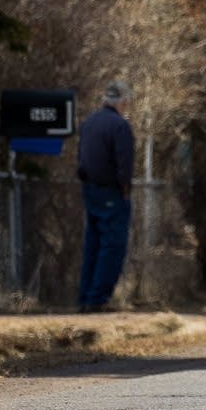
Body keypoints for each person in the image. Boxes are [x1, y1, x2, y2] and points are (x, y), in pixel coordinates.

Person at [75, 81, 135, 313]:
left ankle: (85, 297)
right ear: (122, 102)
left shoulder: (89, 123)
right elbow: (124, 163)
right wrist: (125, 189)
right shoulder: (119, 126)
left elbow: (81, 158)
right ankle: (98, 298)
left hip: (90, 189)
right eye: (126, 102)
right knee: (112, 246)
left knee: (93, 243)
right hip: (112, 191)